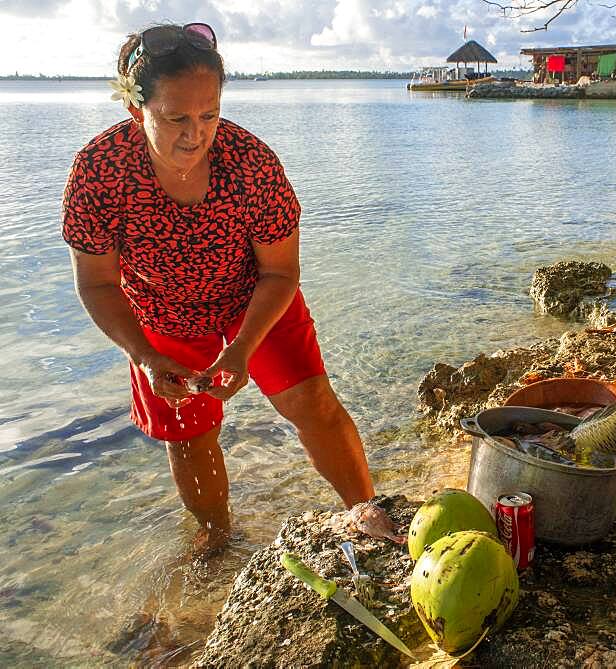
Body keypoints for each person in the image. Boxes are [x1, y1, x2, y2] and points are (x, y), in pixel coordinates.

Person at [62, 23, 386, 552]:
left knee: (310, 400)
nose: (196, 134)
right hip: (159, 311)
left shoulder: (251, 164)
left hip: (252, 294)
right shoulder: (98, 172)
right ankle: (217, 538)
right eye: (176, 118)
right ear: (135, 111)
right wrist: (144, 357)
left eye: (209, 115)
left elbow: (281, 272)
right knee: (188, 426)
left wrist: (241, 348)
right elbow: (97, 284)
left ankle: (368, 513)